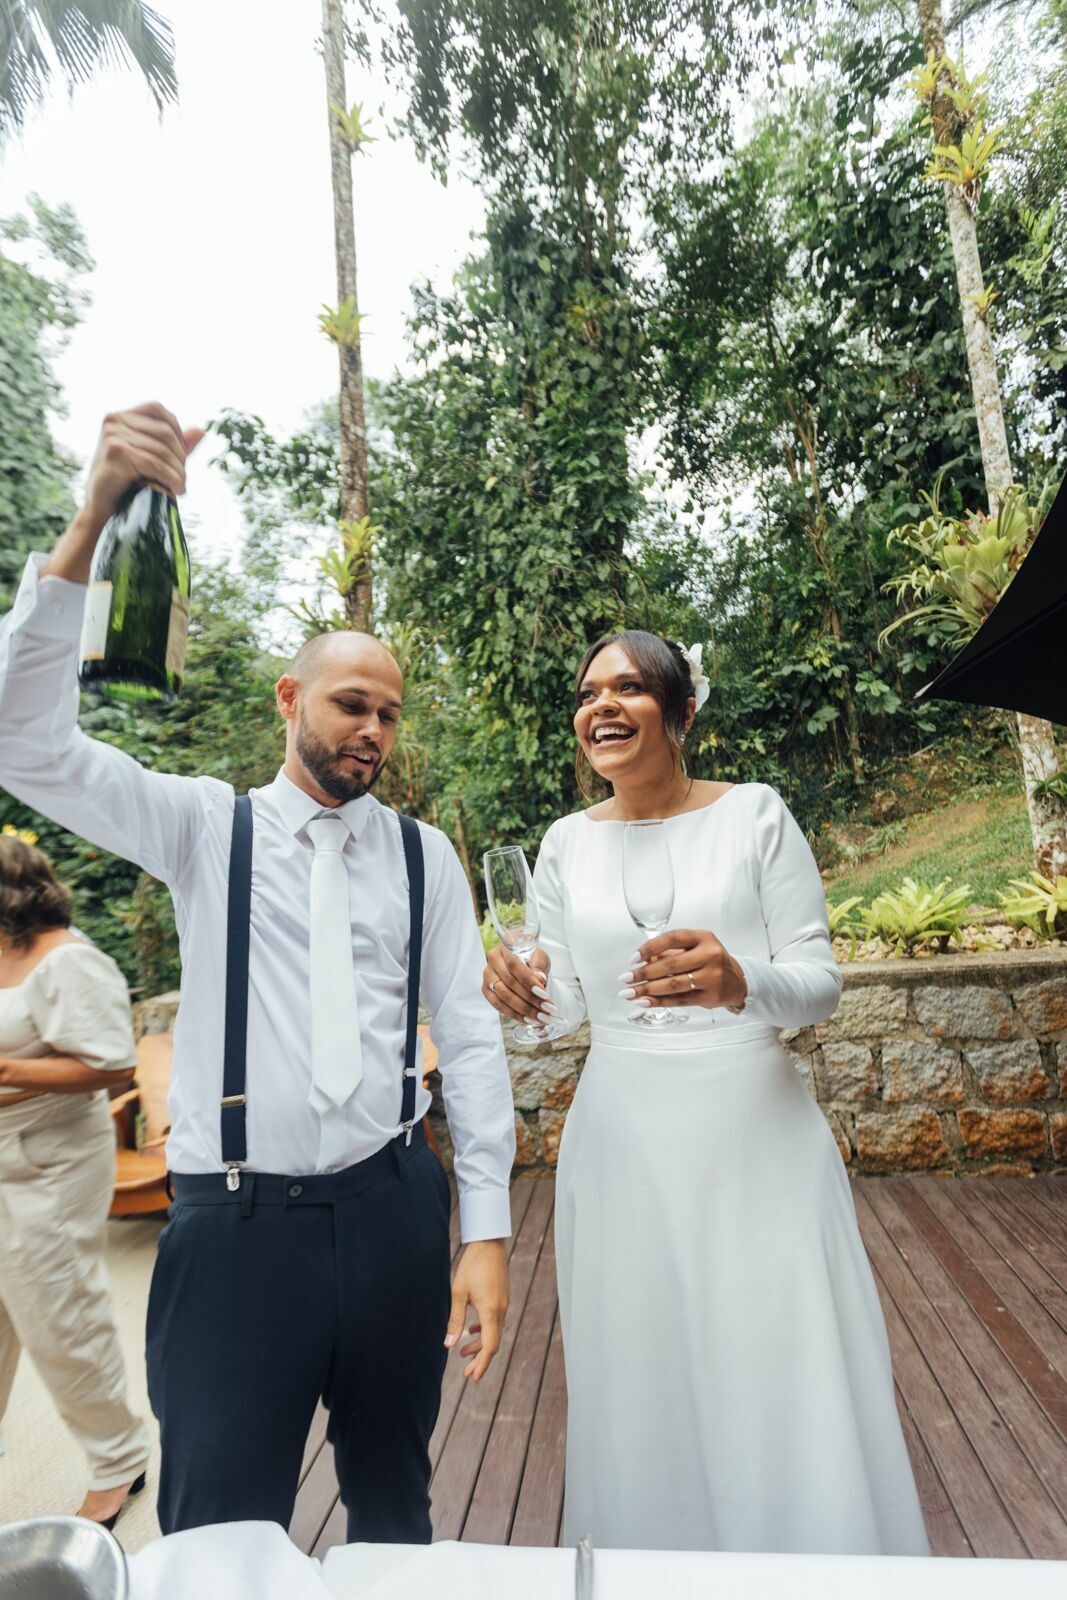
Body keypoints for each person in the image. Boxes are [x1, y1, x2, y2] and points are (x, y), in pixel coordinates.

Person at [0, 402, 515, 1540]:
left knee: (393, 1510)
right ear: (289, 701)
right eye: (349, 702)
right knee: (215, 1530)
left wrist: (483, 1231)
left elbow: (469, 1042)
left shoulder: (425, 857)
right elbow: (21, 741)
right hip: (234, 1234)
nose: (372, 728)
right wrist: (91, 521)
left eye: (388, 711)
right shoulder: (199, 829)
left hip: (392, 1211)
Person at [483, 630, 929, 1556]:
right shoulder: (563, 843)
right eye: (587, 690)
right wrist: (519, 992)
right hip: (622, 1146)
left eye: (629, 688)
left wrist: (740, 983)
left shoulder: (755, 815)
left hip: (752, 1137)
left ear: (682, 712)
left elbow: (820, 982)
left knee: (775, 1360)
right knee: (643, 1368)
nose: (601, 705)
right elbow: (564, 1011)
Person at [0, 831, 150, 1531]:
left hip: (52, 1161)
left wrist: (6, 1071)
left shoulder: (68, 960)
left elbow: (115, 1064)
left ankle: (118, 1460)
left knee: (61, 1316)